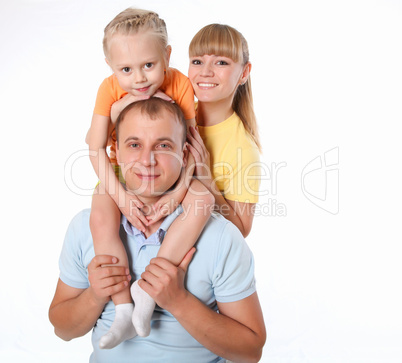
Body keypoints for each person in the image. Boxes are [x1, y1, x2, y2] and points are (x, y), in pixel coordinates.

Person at [49, 98, 266, 362]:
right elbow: (62, 330)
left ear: (184, 155)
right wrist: (94, 296)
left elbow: (251, 351)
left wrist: (178, 301)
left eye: (163, 146)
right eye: (134, 145)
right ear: (115, 152)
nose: (147, 160)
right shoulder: (86, 227)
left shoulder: (221, 236)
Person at [85, 8, 213, 348]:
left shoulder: (179, 84)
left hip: (171, 171)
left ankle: (146, 288)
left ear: (167, 56)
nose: (139, 79)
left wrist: (176, 195)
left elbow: (187, 147)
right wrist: (122, 198)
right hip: (122, 173)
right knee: (100, 216)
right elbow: (94, 148)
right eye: (126, 69)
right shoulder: (108, 89)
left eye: (149, 65)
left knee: (204, 200)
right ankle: (123, 306)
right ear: (111, 67)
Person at [186, 23, 262, 237]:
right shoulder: (174, 115)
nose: (205, 72)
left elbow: (241, 230)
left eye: (221, 62)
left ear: (244, 73)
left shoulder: (243, 148)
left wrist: (207, 179)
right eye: (197, 61)